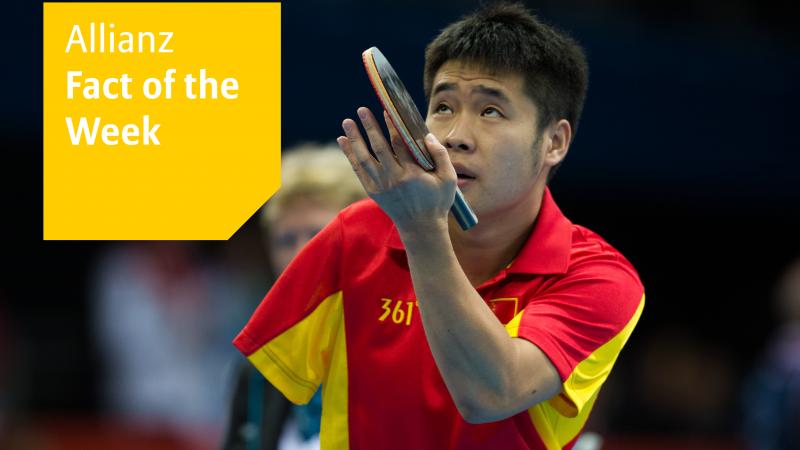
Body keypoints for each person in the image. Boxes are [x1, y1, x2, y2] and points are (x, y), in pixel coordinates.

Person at [234, 3, 644, 449]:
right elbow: (258, 403)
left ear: (554, 142)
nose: (455, 135)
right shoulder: (355, 236)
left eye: (491, 111)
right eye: (443, 106)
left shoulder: (600, 279)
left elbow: (492, 394)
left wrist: (422, 230)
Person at [222, 143, 366, 450]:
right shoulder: (258, 372)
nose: (301, 253)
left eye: (317, 234)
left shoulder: (401, 347)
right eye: (286, 239)